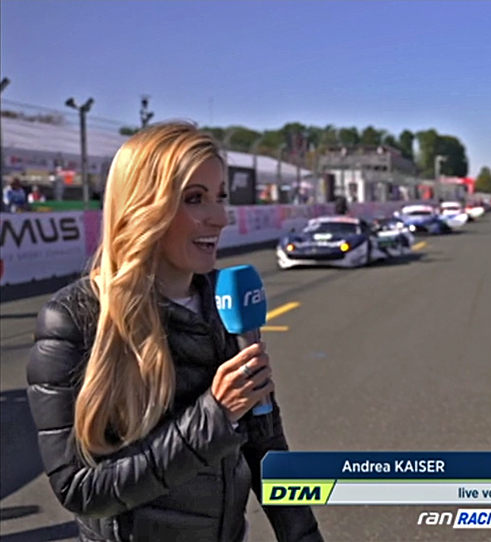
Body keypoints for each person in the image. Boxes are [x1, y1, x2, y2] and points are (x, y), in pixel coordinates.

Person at [26, 121, 325, 542]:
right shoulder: (73, 319)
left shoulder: (226, 300)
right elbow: (81, 490)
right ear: (144, 206)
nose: (220, 218)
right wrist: (215, 416)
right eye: (194, 199)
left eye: (221, 197)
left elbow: (266, 446)